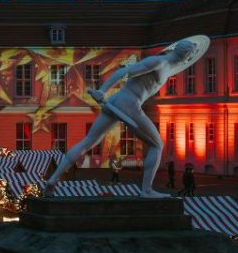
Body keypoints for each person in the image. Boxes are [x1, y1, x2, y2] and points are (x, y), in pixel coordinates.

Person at [44, 35, 210, 197]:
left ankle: (52, 179)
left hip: (117, 101)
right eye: (190, 57)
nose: (190, 60)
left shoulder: (166, 65)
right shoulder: (159, 62)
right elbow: (124, 72)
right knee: (157, 145)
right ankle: (146, 191)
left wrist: (105, 93)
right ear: (185, 56)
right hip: (129, 103)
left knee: (88, 142)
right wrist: (102, 90)